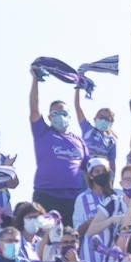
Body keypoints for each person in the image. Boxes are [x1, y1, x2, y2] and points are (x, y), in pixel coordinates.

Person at [28, 67, 90, 222]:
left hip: (73, 197)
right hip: (46, 194)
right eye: (56, 113)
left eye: (63, 113)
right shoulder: (43, 132)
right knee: (44, 236)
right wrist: (35, 81)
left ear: (69, 117)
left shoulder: (79, 141)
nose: (60, 117)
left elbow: (87, 170)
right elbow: (34, 110)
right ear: (49, 117)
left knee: (70, 238)